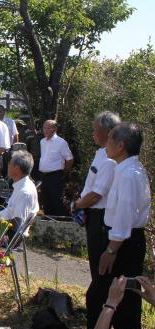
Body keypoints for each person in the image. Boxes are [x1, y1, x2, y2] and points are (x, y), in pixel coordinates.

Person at [85, 122, 151, 329]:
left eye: (111, 139)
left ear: (121, 145)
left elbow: (125, 214)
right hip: (121, 240)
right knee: (103, 295)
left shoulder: (129, 174)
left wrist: (111, 249)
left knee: (112, 297)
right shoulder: (125, 169)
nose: (106, 145)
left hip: (123, 243)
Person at [73, 112, 120, 282]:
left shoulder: (111, 158)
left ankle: (101, 302)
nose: (93, 133)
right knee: (93, 260)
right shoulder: (102, 152)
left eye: (96, 130)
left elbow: (96, 195)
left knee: (99, 266)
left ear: (108, 132)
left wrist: (78, 204)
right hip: (92, 215)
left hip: (101, 218)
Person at [0, 150, 39, 236]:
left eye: (10, 163)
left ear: (17, 168)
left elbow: (17, 225)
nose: (7, 165)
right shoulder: (20, 185)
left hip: (7, 235)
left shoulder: (25, 192)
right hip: (2, 228)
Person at [38, 120, 73, 216]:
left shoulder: (61, 142)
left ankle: (59, 223)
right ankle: (48, 222)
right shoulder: (42, 141)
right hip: (44, 176)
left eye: (47, 127)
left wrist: (64, 173)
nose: (45, 130)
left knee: (56, 201)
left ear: (54, 129)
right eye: (44, 127)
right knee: (46, 200)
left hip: (56, 176)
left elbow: (69, 159)